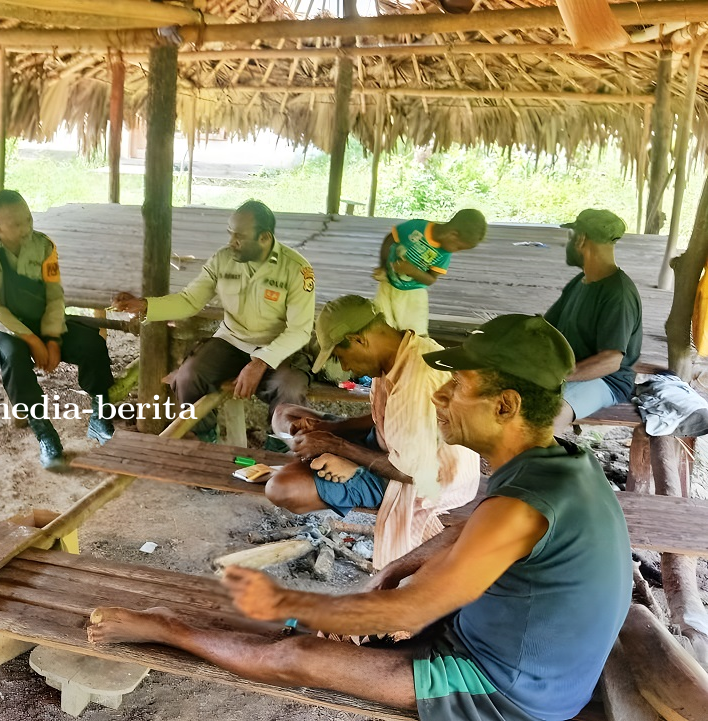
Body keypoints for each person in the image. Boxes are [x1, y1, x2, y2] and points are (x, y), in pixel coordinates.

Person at [88, 314, 632, 721]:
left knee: (299, 654)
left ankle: (167, 629)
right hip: (502, 648)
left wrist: (298, 599)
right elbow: (465, 534)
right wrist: (392, 572)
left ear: (506, 406)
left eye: (459, 386)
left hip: (506, 692)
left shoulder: (520, 506)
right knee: (324, 625)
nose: (439, 395)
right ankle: (259, 621)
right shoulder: (558, 463)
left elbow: (422, 603)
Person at [267, 295, 480, 568]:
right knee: (285, 414)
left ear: (358, 340)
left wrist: (341, 450)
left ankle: (345, 468)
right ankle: (328, 457)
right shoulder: (402, 351)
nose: (344, 368)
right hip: (389, 445)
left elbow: (411, 472)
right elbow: (387, 417)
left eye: (340, 357)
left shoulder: (415, 382)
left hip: (420, 477)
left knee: (282, 488)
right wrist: (331, 428)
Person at [112, 200, 313, 443]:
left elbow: (299, 331)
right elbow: (190, 300)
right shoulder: (223, 260)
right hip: (232, 341)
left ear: (264, 238)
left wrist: (260, 362)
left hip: (277, 349)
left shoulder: (296, 269)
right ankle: (206, 440)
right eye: (230, 234)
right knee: (189, 377)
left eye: (239, 237)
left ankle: (280, 451)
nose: (231, 242)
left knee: (289, 386)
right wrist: (146, 305)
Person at [0, 190, 115, 472]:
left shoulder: (44, 246)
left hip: (39, 320)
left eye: (28, 219)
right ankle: (46, 435)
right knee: (13, 355)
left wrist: (53, 339)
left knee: (92, 343)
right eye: (16, 224)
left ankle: (100, 417)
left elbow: (55, 296)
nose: (26, 228)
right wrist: (32, 340)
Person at [545, 209, 642, 431]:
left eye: (570, 237)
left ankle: (539, 461)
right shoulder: (581, 281)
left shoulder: (618, 294)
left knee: (547, 418)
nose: (567, 244)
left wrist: (556, 377)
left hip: (606, 381)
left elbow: (610, 361)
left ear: (580, 239)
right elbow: (547, 327)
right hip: (568, 370)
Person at [373, 209, 487, 336]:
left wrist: (413, 271)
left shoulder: (444, 255)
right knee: (380, 323)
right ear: (452, 235)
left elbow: (431, 279)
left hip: (413, 294)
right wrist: (383, 266)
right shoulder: (416, 227)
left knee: (414, 333)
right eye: (459, 247)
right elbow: (391, 239)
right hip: (387, 283)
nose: (456, 251)